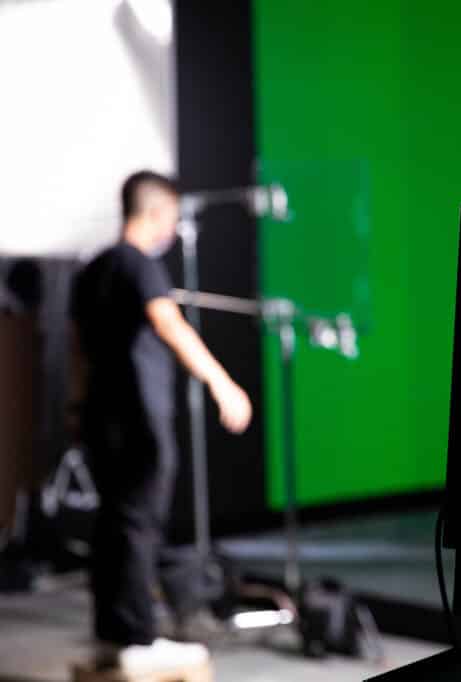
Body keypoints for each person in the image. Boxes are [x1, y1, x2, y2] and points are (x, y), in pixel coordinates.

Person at [69, 170, 252, 675]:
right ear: (156, 213)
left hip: (99, 418)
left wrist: (74, 408)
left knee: (113, 524)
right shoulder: (139, 265)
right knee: (137, 526)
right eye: (172, 218)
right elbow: (169, 323)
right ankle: (138, 638)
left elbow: (76, 349)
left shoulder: (93, 269)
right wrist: (220, 382)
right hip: (139, 420)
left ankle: (114, 633)